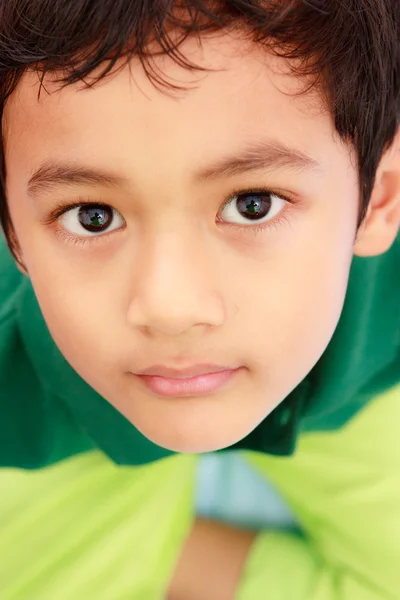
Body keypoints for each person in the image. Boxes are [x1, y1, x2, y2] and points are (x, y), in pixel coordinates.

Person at [0, 0, 400, 598]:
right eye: (93, 216)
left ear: (379, 200)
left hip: (356, 377)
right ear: (11, 231)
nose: (170, 307)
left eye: (253, 204)